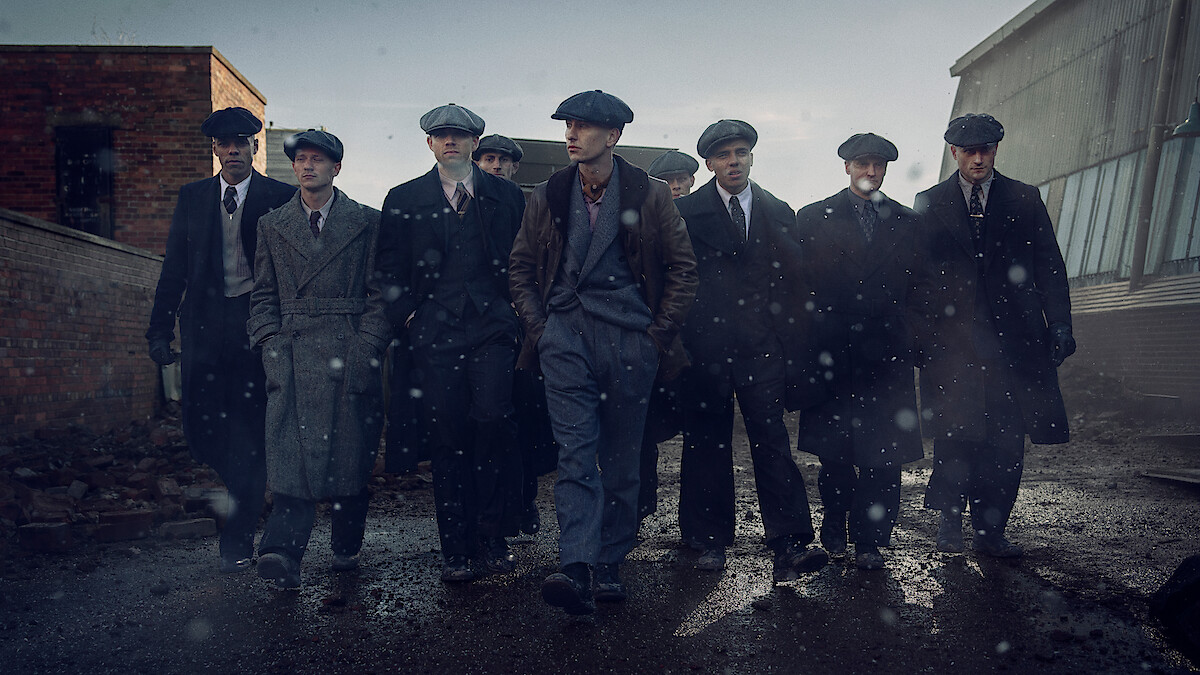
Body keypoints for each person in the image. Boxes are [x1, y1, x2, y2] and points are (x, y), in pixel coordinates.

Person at [509, 90, 697, 614]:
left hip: (630, 338)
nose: (571, 135)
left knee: (621, 456)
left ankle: (610, 559)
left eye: (584, 127)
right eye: (568, 125)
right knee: (574, 454)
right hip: (565, 338)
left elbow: (683, 268)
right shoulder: (549, 192)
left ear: (613, 136)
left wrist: (657, 335)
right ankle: (576, 564)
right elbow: (521, 267)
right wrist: (541, 330)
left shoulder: (649, 193)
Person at [377, 104, 527, 583]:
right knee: (447, 437)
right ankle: (455, 548)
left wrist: (515, 310)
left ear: (474, 143)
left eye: (459, 136)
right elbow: (388, 269)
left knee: (492, 420)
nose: (451, 143)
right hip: (435, 331)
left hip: (492, 327)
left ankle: (491, 534)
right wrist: (411, 317)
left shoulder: (506, 196)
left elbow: (525, 258)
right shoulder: (404, 197)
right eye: (441, 136)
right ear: (429, 143)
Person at [916, 113, 1075, 558]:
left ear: (996, 150)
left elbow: (1049, 266)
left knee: (1005, 443)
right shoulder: (929, 203)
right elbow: (917, 279)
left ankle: (991, 532)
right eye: (969, 150)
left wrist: (1059, 323)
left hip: (1014, 347)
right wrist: (923, 338)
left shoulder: (1024, 199)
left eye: (986, 149)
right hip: (955, 348)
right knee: (956, 435)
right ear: (954, 153)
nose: (978, 158)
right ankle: (949, 526)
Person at [674, 119, 827, 581]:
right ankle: (708, 539)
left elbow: (795, 287)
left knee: (771, 440)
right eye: (723, 155)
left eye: (740, 153)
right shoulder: (686, 213)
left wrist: (791, 348)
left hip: (763, 348)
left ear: (752, 158)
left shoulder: (778, 211)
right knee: (706, 441)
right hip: (705, 349)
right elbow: (674, 280)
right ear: (708, 164)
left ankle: (791, 544)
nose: (733, 162)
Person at [145, 107, 296, 574]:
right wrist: (158, 329)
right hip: (205, 329)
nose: (234, 151)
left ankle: (239, 533)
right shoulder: (192, 198)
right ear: (214, 150)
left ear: (254, 147)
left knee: (250, 433)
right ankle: (247, 489)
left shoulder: (280, 196)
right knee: (201, 429)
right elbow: (173, 268)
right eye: (224, 144)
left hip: (256, 327)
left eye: (242, 143)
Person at [246, 129, 389, 589]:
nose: (307, 166)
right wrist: (270, 342)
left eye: (318, 160)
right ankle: (282, 552)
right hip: (291, 351)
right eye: (301, 159)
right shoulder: (272, 225)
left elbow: (381, 295)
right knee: (291, 455)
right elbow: (263, 294)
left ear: (336, 168)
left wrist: (366, 345)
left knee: (350, 456)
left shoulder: (367, 222)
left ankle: (346, 545)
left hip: (348, 346)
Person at [793, 133, 928, 570]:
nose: (870, 172)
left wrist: (910, 336)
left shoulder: (907, 222)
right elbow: (799, 287)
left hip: (887, 357)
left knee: (883, 455)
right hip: (833, 353)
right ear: (846, 167)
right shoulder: (813, 218)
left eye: (878, 165)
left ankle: (871, 539)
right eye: (862, 164)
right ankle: (834, 526)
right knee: (836, 454)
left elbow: (921, 291)